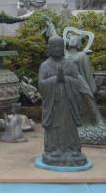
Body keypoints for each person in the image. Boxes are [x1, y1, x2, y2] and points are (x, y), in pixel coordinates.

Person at [39, 35, 87, 166]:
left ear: (64, 47)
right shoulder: (44, 66)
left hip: (68, 103)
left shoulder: (70, 64)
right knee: (54, 127)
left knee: (69, 127)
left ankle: (72, 149)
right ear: (48, 48)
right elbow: (41, 86)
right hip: (53, 105)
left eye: (59, 46)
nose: (57, 49)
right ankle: (53, 150)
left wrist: (65, 79)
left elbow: (77, 83)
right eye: (53, 46)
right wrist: (55, 79)